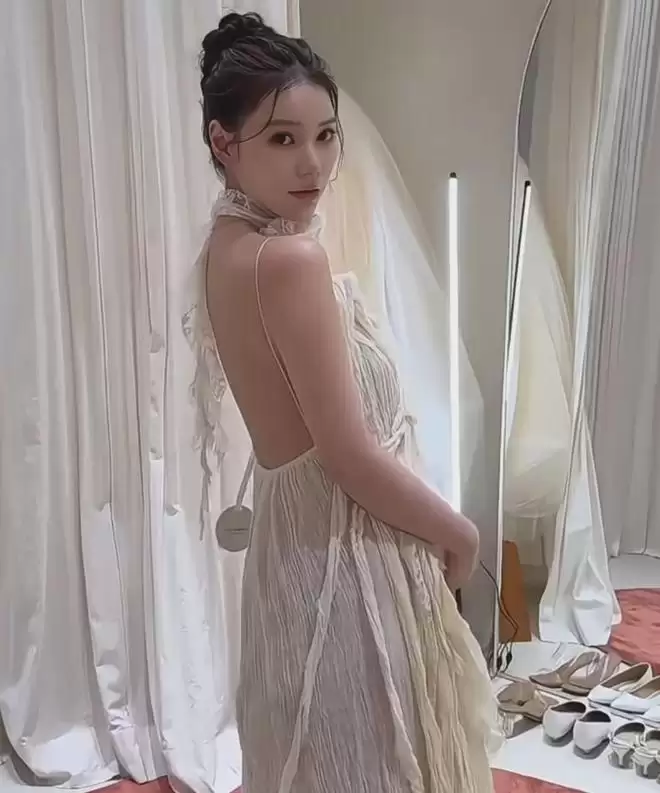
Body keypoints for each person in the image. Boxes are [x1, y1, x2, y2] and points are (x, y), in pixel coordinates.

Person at [192, 11, 501, 792]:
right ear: (224, 143)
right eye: (282, 139)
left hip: (290, 549)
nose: (314, 163)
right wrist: (458, 529)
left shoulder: (225, 248)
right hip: (345, 554)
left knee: (313, 753)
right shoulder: (289, 260)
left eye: (326, 136)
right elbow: (350, 454)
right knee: (373, 758)